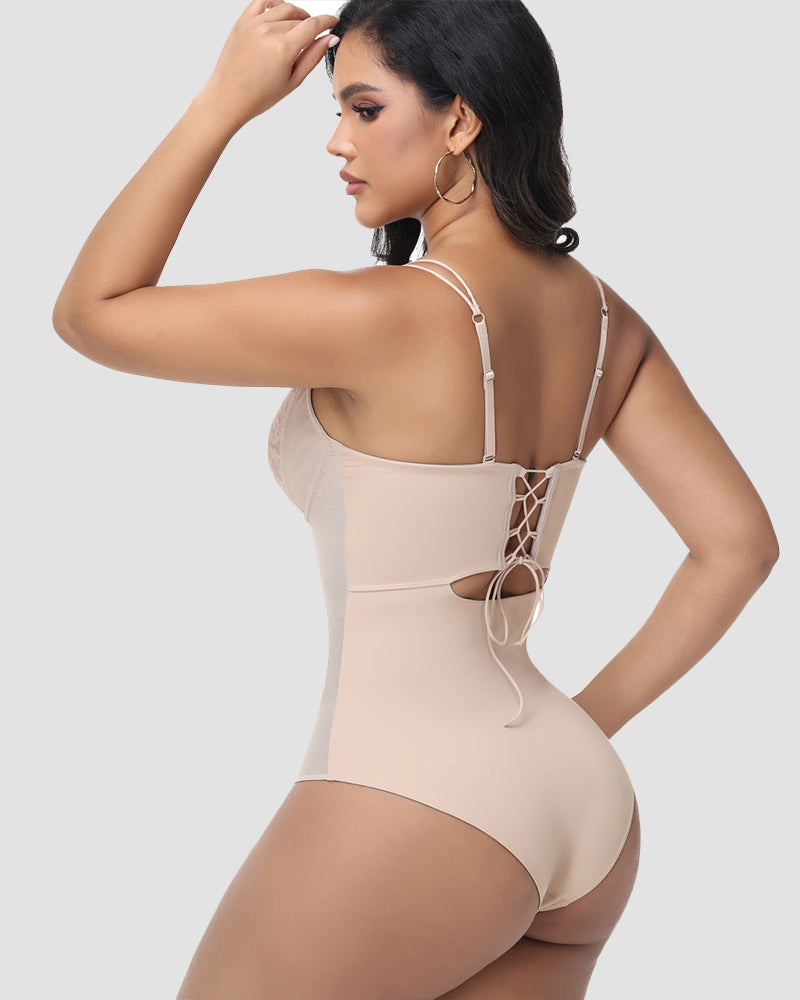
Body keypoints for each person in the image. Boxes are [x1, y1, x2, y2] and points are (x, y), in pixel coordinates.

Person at [51, 1, 779, 997]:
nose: (335, 141)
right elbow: (737, 546)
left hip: (410, 793)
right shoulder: (607, 320)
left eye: (363, 108)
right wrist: (572, 732)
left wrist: (222, 103)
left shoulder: (379, 317)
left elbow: (92, 312)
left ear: (459, 120)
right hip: (583, 813)